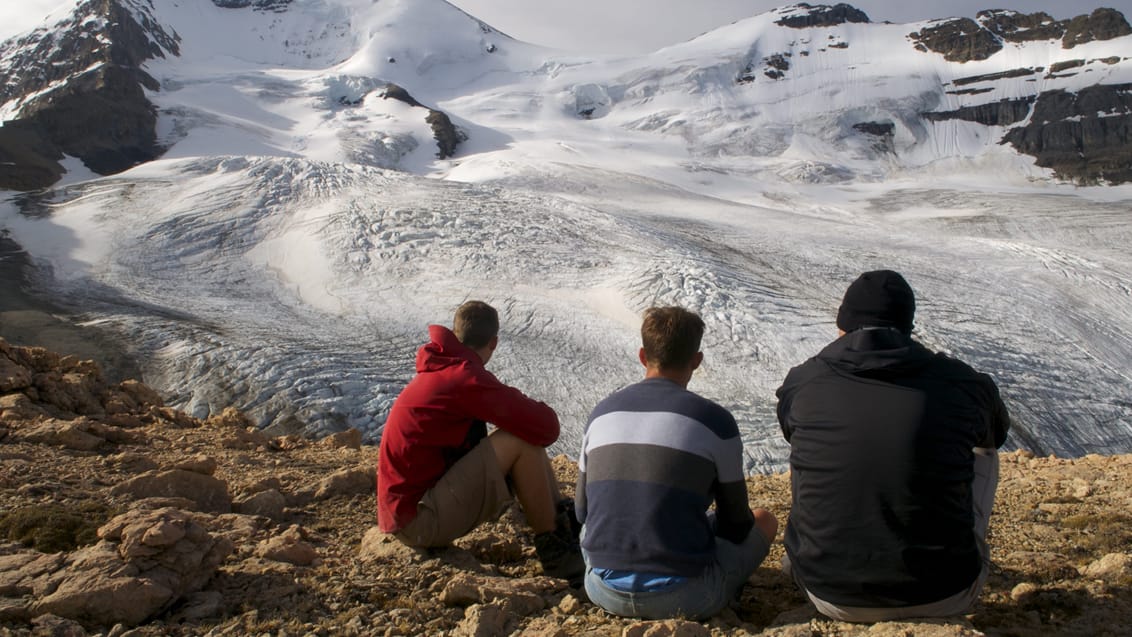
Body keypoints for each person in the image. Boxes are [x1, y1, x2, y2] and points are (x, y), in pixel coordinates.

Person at [776, 270, 1010, 622]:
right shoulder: (963, 382)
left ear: (843, 325)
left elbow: (790, 433)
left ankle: (812, 551)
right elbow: (995, 435)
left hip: (825, 592)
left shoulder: (805, 381)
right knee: (984, 451)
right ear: (907, 326)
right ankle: (959, 549)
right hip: (945, 594)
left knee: (808, 442)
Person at [577, 306, 778, 620]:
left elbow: (582, 511)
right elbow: (736, 526)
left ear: (643, 356)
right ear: (696, 361)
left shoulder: (601, 413)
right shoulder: (716, 421)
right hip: (684, 597)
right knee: (763, 519)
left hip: (602, 589)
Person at [376, 300, 583, 580]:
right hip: (418, 521)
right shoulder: (464, 378)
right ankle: (556, 551)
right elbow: (546, 427)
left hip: (409, 513)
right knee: (519, 439)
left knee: (523, 436)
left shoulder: (441, 370)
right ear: (494, 342)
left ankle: (561, 530)